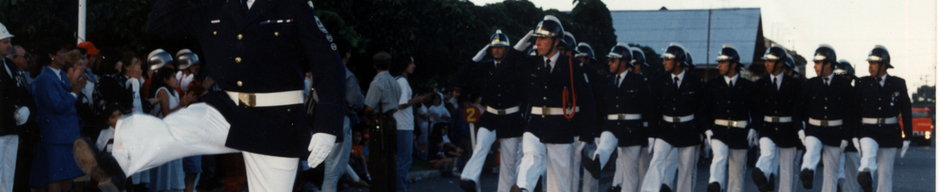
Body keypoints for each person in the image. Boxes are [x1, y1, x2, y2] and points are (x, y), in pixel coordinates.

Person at [72, 0, 348, 191]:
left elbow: (329, 64)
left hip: (277, 121)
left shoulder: (293, 6)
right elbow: (159, 25)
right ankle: (117, 165)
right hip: (227, 109)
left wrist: (327, 126)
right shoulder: (216, 8)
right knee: (174, 128)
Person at [510, 15, 593, 192]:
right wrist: (516, 50)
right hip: (535, 123)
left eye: (543, 38)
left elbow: (587, 101)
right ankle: (524, 188)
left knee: (559, 180)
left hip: (560, 126)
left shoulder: (572, 65)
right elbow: (505, 73)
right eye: (537, 38)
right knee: (531, 156)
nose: (538, 42)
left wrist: (586, 134)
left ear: (555, 42)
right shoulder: (531, 63)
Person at [460, 29, 526, 192]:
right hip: (490, 115)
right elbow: (462, 78)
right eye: (493, 47)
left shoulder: (517, 67)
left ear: (507, 50)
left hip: (511, 117)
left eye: (500, 47)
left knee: (508, 163)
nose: (496, 50)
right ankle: (468, 179)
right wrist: (475, 59)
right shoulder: (485, 67)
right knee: (481, 145)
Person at [585, 43, 653, 192]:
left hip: (632, 128)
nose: (609, 63)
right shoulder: (608, 82)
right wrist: (597, 132)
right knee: (605, 144)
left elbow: (648, 108)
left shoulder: (638, 81)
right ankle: (597, 164)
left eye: (613, 60)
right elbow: (602, 108)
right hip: (611, 125)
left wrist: (650, 134)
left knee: (630, 172)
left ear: (623, 62)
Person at [640, 43, 704, 192]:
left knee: (685, 170)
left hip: (688, 129)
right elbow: (654, 110)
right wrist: (652, 134)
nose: (664, 62)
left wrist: (703, 131)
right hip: (666, 129)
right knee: (657, 160)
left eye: (667, 59)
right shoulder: (659, 81)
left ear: (678, 62)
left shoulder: (695, 81)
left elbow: (700, 108)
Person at [793, 45, 854, 192]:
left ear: (828, 64)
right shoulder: (810, 84)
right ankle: (807, 171)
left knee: (831, 173)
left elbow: (849, 113)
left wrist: (846, 137)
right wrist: (800, 131)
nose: (814, 66)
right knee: (812, 147)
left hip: (835, 132)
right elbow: (797, 110)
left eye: (817, 62)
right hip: (814, 129)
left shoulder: (844, 85)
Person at [853, 45, 912, 192]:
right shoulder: (862, 83)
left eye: (873, 63)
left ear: (883, 65)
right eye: (869, 63)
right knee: (868, 154)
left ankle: (867, 176)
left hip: (890, 132)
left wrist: (908, 137)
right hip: (868, 130)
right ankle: (865, 174)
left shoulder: (898, 83)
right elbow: (854, 111)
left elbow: (906, 110)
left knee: (885, 174)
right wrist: (854, 135)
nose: (870, 67)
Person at [32, 42, 87, 192]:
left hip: (68, 134)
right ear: (51, 56)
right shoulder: (44, 78)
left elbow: (65, 98)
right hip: (56, 136)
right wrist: (75, 92)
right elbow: (58, 105)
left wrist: (75, 87)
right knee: (56, 177)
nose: (64, 56)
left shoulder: (61, 74)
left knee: (68, 177)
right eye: (61, 53)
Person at [701, 45, 757, 192]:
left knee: (737, 174)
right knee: (719, 157)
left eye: (723, 62)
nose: (719, 65)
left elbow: (757, 111)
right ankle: (715, 183)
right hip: (719, 131)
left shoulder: (748, 86)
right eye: (719, 61)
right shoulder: (712, 85)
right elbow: (704, 110)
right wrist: (706, 128)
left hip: (740, 132)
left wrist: (753, 128)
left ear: (733, 65)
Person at [751, 46, 803, 192]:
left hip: (788, 131)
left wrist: (800, 131)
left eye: (770, 61)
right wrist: (754, 128)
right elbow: (758, 110)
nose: (766, 64)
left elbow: (797, 111)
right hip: (768, 128)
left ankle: (766, 176)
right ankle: (761, 173)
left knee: (787, 174)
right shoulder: (760, 84)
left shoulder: (794, 85)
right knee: (766, 154)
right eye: (766, 60)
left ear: (780, 63)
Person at [321, 38, 365, 192]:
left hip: (322, 119)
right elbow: (357, 101)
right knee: (334, 167)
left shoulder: (323, 71)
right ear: (347, 54)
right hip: (340, 119)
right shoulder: (346, 74)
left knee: (331, 165)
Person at [363, 51, 402, 192]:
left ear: (374, 66)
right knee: (390, 158)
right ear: (389, 65)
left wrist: (366, 116)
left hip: (379, 122)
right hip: (391, 120)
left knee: (378, 159)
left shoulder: (377, 83)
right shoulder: (395, 82)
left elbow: (369, 107)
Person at [0, 22, 30, 192]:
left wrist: (26, 108)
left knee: (8, 178)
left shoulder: (10, 65)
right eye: (5, 42)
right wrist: (13, 111)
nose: (10, 46)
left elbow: (23, 92)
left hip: (11, 129)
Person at [389, 53, 424, 192]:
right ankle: (400, 189)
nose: (414, 66)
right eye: (411, 63)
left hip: (399, 124)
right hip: (403, 125)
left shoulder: (396, 80)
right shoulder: (402, 82)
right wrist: (415, 101)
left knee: (400, 159)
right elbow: (401, 104)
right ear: (404, 64)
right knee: (404, 160)